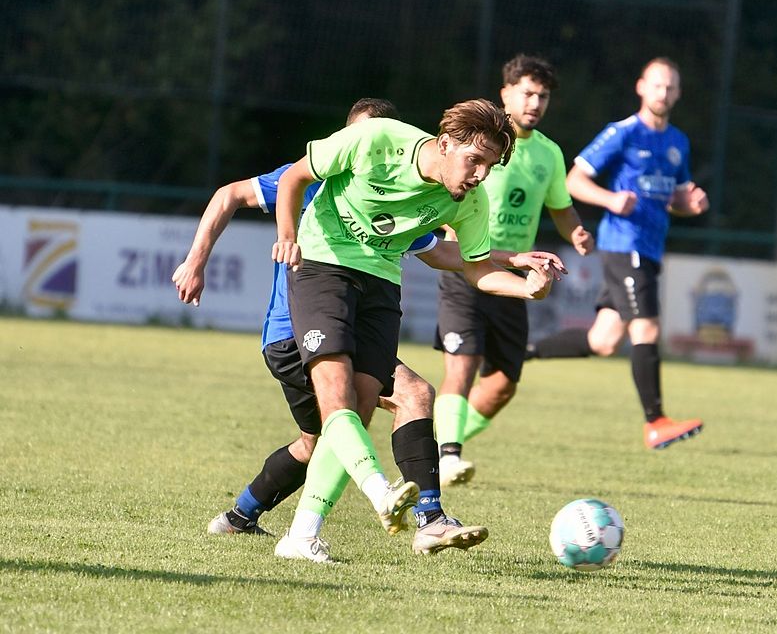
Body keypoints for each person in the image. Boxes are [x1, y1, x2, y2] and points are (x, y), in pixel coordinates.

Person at [173, 98, 564, 562]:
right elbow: (269, 184)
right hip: (311, 290)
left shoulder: (462, 198)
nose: (480, 174)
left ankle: (286, 529)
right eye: (474, 161)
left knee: (344, 424)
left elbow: (462, 262)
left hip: (378, 289)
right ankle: (386, 497)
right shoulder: (370, 144)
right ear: (443, 143)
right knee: (342, 406)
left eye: (489, 165)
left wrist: (527, 286)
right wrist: (273, 241)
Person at [526, 57, 710, 450]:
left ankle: (520, 352)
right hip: (624, 246)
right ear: (641, 87)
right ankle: (656, 421)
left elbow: (672, 197)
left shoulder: (678, 141)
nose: (663, 93)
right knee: (647, 328)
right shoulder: (622, 133)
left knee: (604, 341)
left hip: (649, 248)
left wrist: (687, 204)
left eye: (671, 87)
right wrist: (610, 199)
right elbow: (575, 180)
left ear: (677, 93)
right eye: (657, 85)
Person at [432, 55, 593, 487]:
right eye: (527, 93)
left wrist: (576, 232)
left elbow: (561, 208)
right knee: (461, 367)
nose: (535, 102)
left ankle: (438, 442)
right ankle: (447, 455)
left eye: (542, 96)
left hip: (510, 278)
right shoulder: (478, 142)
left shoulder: (549, 154)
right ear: (505, 94)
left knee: (502, 384)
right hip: (466, 269)